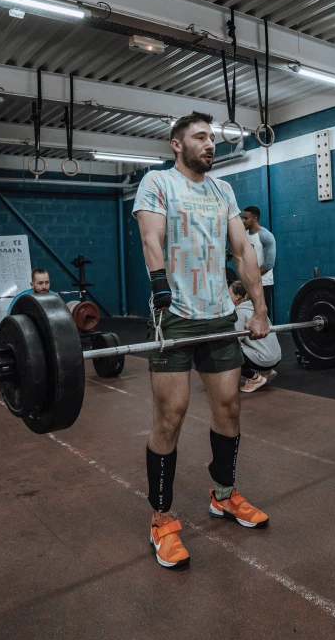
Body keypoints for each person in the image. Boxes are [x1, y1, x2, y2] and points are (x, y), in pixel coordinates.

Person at [133, 110, 270, 570]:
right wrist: (160, 288)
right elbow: (151, 238)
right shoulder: (157, 183)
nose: (211, 144)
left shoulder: (224, 191)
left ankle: (224, 494)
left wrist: (260, 309)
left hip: (219, 316)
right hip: (175, 318)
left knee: (229, 408)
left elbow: (242, 250)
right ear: (177, 144)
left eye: (213, 138)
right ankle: (161, 517)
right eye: (200, 137)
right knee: (170, 418)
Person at [229, 280, 281, 393]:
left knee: (227, 350)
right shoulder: (258, 309)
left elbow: (235, 339)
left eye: (230, 295)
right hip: (277, 358)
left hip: (264, 360)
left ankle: (255, 378)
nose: (228, 298)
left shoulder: (239, 312)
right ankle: (267, 371)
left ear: (237, 297)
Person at [241, 206, 276, 316]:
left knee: (263, 316)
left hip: (263, 283)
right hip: (248, 282)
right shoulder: (244, 235)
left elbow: (269, 264)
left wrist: (252, 277)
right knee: (247, 313)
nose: (243, 221)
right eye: (243, 218)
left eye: (246, 218)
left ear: (255, 219)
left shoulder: (266, 236)